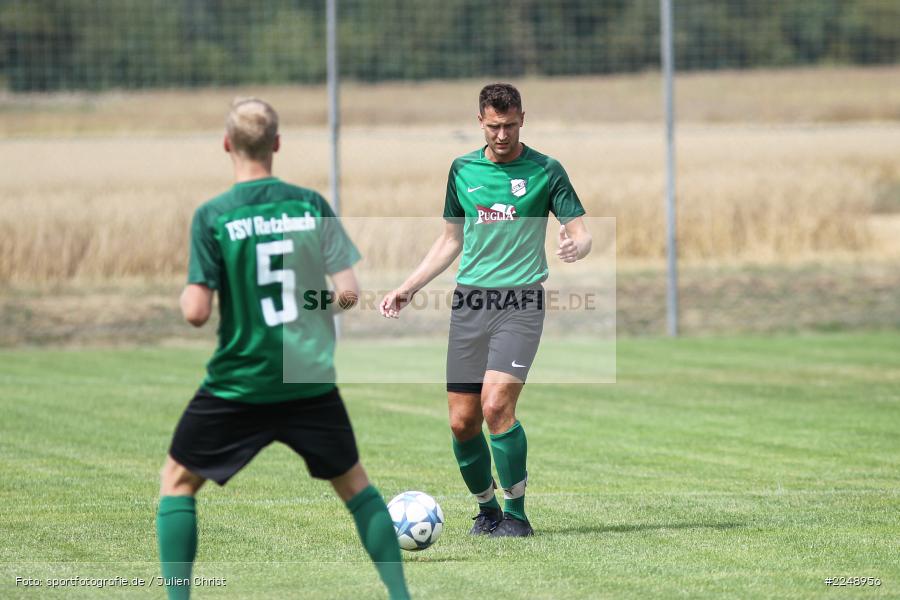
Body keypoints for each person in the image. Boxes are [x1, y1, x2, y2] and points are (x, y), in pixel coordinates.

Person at [156, 98, 410, 599]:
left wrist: (192, 291)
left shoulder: (214, 215)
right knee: (356, 486)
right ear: (276, 144)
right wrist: (306, 303)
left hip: (240, 381)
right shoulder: (309, 204)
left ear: (227, 144)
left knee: (178, 482)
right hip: (307, 377)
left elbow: (196, 312)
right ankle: (401, 596)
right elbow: (348, 293)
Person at [379, 83, 592, 537]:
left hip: (521, 303)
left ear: (522, 119)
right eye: (494, 126)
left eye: (510, 125)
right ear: (480, 121)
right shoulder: (461, 170)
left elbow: (581, 229)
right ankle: (487, 510)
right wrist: (409, 287)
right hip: (470, 303)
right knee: (462, 422)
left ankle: (516, 514)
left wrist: (578, 244)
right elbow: (451, 239)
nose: (502, 135)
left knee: (496, 406)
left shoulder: (545, 170)